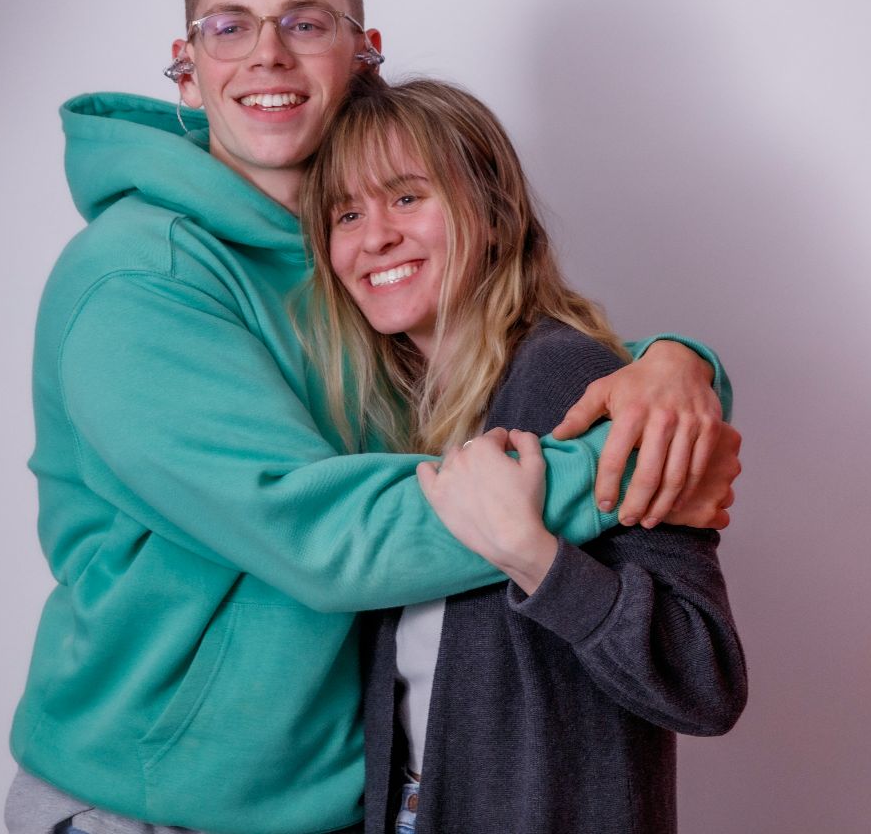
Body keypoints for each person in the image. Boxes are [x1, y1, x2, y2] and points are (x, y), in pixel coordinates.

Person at [6, 0, 742, 834]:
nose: (267, 53)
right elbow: (315, 528)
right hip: (155, 805)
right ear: (187, 68)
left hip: (335, 804)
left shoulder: (354, 273)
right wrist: (631, 467)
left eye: (304, 22)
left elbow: (504, 351)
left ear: (363, 56)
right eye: (228, 26)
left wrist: (675, 370)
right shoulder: (138, 279)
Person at [300, 77, 747, 834]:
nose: (374, 235)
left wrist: (535, 558)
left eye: (407, 197)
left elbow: (705, 682)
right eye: (347, 213)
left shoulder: (570, 381)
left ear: (496, 216)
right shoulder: (388, 420)